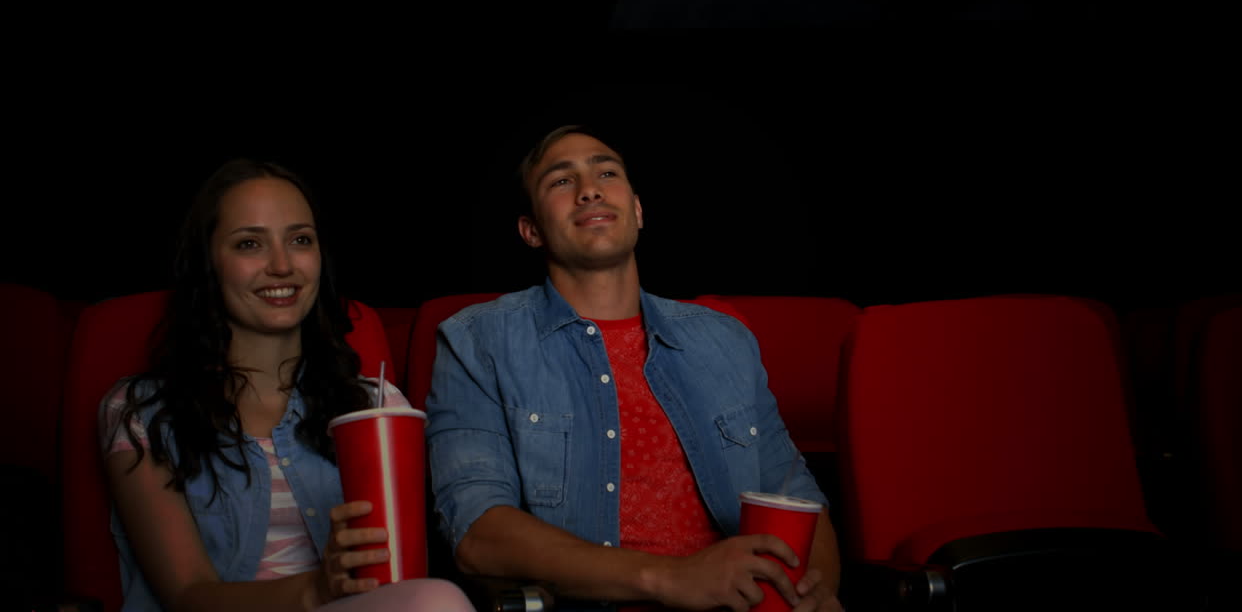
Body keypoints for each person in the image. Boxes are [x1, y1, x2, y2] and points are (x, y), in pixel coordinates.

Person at [427, 127, 842, 612]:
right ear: (531, 230)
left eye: (606, 172)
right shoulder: (476, 340)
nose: (589, 188)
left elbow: (799, 502)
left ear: (638, 211)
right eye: (561, 182)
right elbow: (477, 532)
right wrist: (673, 578)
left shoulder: (724, 340)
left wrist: (815, 594)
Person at [100, 159, 474, 612]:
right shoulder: (143, 412)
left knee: (434, 598)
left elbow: (399, 583)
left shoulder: (373, 404)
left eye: (300, 240)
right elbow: (187, 596)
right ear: (208, 264)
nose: (281, 265)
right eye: (249, 244)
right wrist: (316, 590)